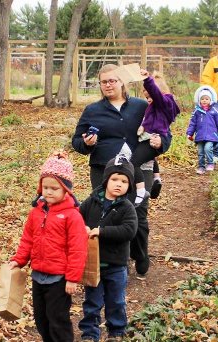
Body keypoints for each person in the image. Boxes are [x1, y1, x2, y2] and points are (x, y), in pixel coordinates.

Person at [71, 63, 153, 277]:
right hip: (103, 170)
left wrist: (158, 149)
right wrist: (87, 143)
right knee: (105, 215)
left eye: (112, 81)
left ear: (122, 81)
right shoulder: (93, 110)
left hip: (137, 168)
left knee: (138, 213)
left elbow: (157, 133)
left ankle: (140, 253)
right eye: (103, 82)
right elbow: (76, 142)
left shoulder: (140, 106)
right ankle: (111, 263)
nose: (108, 85)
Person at [9, 152, 88, 342]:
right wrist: (19, 260)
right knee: (41, 319)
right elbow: (27, 239)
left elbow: (78, 249)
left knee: (57, 319)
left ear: (66, 190)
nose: (49, 192)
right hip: (38, 275)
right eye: (45, 187)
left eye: (54, 188)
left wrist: (72, 278)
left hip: (59, 279)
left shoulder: (72, 216)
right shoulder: (36, 213)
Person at [78, 153, 138, 342]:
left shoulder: (127, 207)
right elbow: (76, 219)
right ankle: (89, 332)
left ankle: (116, 331)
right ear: (106, 180)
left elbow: (129, 230)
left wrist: (102, 231)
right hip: (92, 263)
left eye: (124, 181)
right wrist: (83, 228)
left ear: (129, 186)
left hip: (116, 264)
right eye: (114, 179)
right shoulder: (92, 201)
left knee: (116, 301)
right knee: (92, 301)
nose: (118, 184)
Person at [132, 70, 180, 205]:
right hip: (149, 135)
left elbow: (156, 94)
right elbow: (148, 120)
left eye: (150, 97)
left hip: (154, 136)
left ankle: (141, 191)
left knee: (133, 163)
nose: (148, 100)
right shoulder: (155, 106)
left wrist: (148, 80)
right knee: (148, 157)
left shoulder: (164, 102)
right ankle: (156, 179)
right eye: (146, 98)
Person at [187, 86, 218, 174]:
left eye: (206, 99)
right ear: (199, 100)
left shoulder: (215, 111)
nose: (204, 100)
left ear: (211, 100)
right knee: (200, 152)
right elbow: (192, 123)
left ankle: (210, 163)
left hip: (211, 136)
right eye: (202, 99)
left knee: (208, 148)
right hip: (200, 136)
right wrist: (190, 133)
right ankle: (201, 166)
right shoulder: (197, 112)